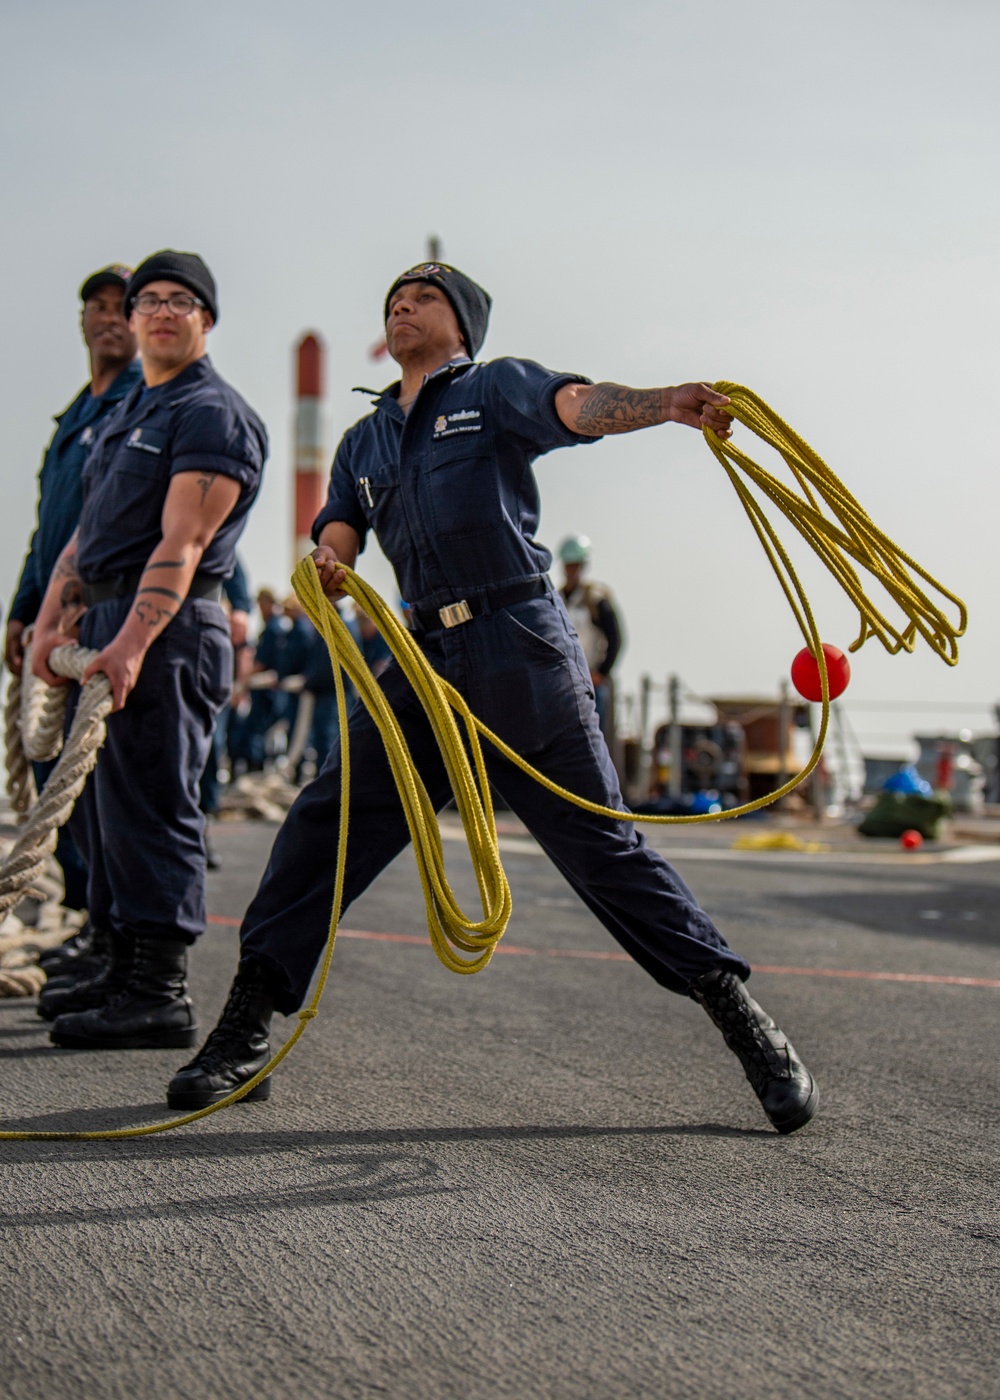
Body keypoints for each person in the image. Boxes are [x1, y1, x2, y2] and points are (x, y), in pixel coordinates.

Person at [167, 261, 817, 1135]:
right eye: (393, 298)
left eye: (423, 297)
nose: (402, 306)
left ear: (462, 322)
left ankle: (741, 1017)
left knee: (602, 849)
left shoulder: (496, 389)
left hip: (519, 646)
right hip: (425, 655)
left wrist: (663, 402)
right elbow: (341, 523)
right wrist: (331, 554)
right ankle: (245, 1029)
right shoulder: (364, 439)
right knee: (326, 820)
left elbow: (578, 406)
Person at [31, 250, 268, 1050]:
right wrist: (48, 625)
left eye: (182, 302)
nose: (163, 312)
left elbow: (184, 542)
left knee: (156, 808)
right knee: (106, 813)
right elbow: (83, 537)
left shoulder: (211, 414)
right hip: (104, 622)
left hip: (163, 633)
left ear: (206, 320)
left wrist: (129, 642)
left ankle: (157, 991)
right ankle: (118, 963)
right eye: (150, 301)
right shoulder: (134, 410)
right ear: (132, 321)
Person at [5, 265, 141, 929]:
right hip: (53, 623)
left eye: (124, 306)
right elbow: (47, 525)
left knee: (102, 784)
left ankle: (109, 940)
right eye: (99, 305)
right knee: (56, 776)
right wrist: (22, 610)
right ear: (83, 319)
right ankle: (88, 925)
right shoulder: (73, 419)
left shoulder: (148, 402)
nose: (109, 317)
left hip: (104, 615)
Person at [557, 534, 623, 736]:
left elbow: (616, 638)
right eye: (569, 565)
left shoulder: (596, 599)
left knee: (594, 735)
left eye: (576, 565)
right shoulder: (556, 600)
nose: (572, 570)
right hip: (564, 682)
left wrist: (602, 672)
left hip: (592, 682)